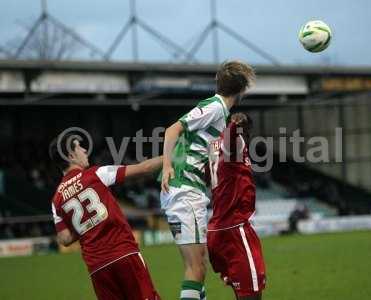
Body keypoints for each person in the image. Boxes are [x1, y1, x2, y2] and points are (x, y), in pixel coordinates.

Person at [161, 61, 255, 300]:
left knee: (199, 264)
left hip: (187, 189)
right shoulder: (215, 107)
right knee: (196, 268)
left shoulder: (220, 114)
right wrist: (166, 166)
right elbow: (173, 130)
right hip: (185, 190)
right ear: (242, 89)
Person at [49, 133, 162, 300]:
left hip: (97, 268)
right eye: (79, 147)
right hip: (123, 254)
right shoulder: (96, 174)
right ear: (71, 155)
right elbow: (144, 168)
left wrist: (87, 223)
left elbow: (64, 238)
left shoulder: (56, 199)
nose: (85, 150)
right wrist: (170, 155)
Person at [207, 113, 266, 300]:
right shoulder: (235, 140)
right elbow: (230, 141)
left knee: (242, 293)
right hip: (234, 229)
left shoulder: (212, 146)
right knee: (252, 294)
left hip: (218, 229)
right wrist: (236, 125)